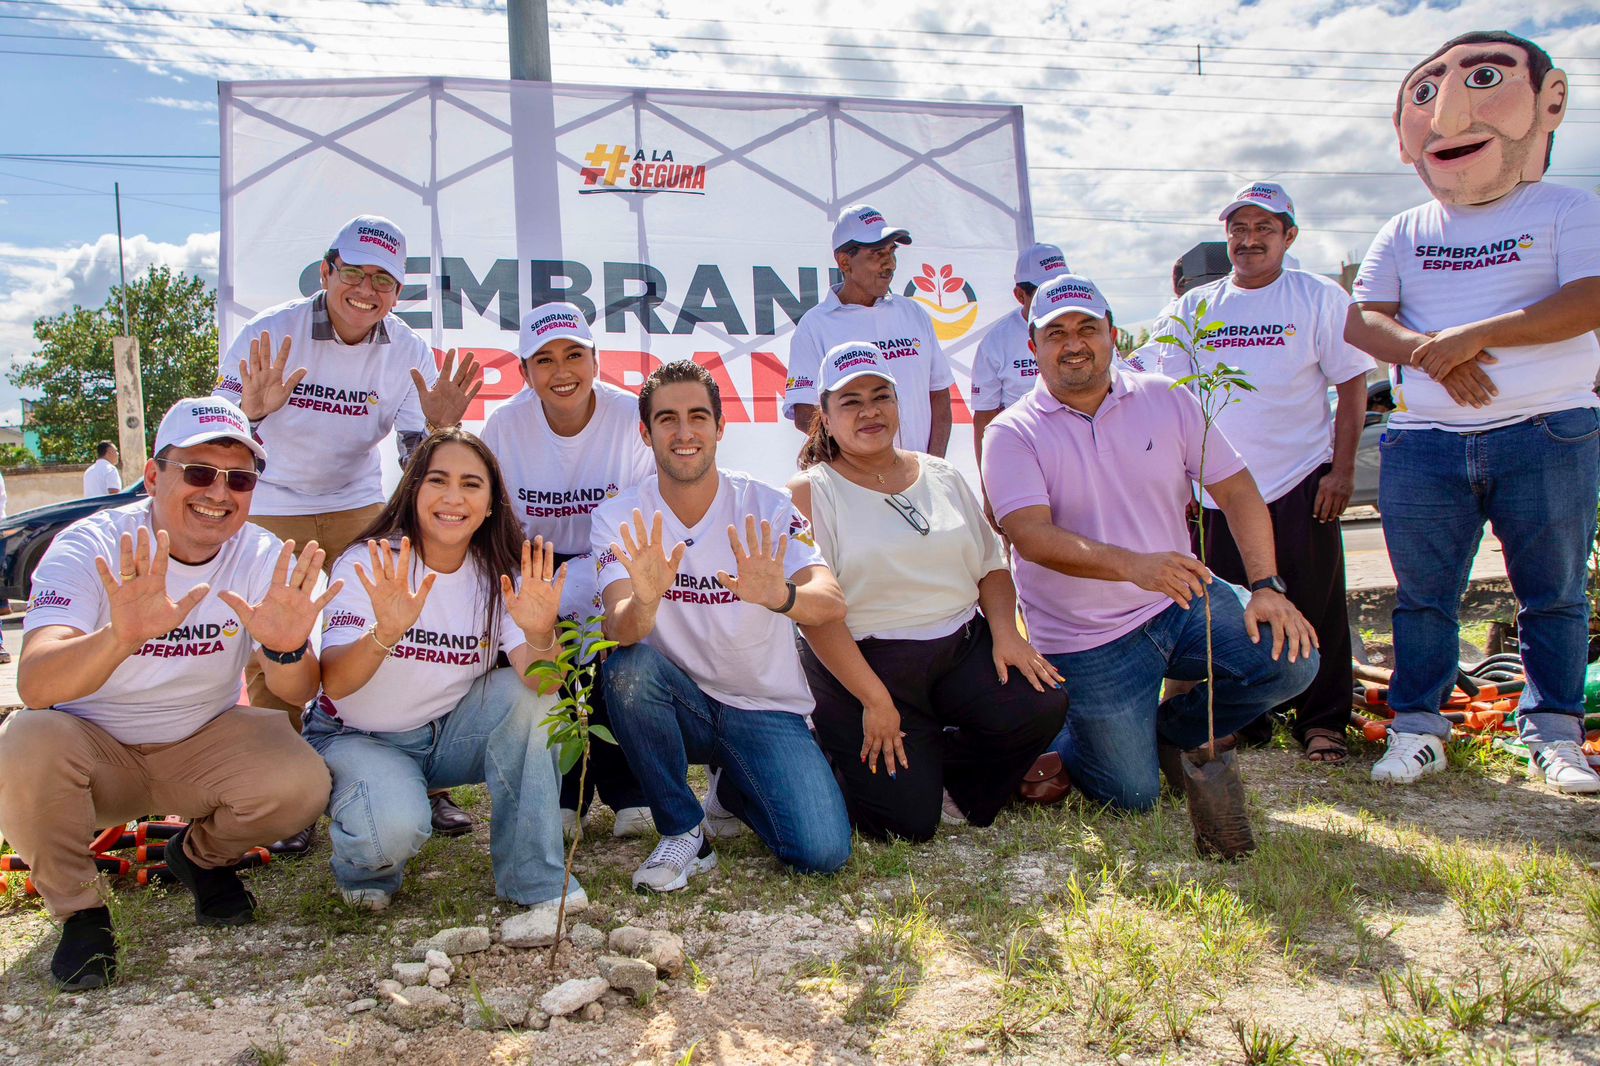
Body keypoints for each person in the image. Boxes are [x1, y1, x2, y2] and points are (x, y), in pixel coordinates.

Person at [0, 397, 336, 989]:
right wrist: (120, 636)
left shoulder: (260, 554)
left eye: (239, 479)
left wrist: (286, 650)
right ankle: (81, 913)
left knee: (301, 781)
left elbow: (299, 689)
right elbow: (36, 683)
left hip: (198, 739)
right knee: (24, 739)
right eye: (200, 472)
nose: (219, 492)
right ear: (154, 476)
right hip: (91, 751)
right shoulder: (90, 546)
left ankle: (198, 859)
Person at [1345, 31, 1600, 792]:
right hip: (1424, 442)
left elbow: (1586, 301)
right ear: (1404, 138)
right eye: (1424, 94)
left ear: (1549, 102)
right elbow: (1363, 321)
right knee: (1423, 598)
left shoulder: (1567, 208)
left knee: (1552, 594)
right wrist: (1431, 354)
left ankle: (1554, 732)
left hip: (1549, 430)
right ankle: (1420, 728)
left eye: (1484, 78)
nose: (1448, 109)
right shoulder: (1403, 229)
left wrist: (1473, 337)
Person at [982, 273, 1320, 819]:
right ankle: (1061, 736)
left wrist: (1265, 586)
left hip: (1179, 603)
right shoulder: (1011, 432)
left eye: (1087, 327)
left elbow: (1236, 491)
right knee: (1132, 797)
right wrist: (1134, 566)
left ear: (1113, 334)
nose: (1074, 343)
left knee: (1291, 660)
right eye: (1056, 332)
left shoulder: (1167, 398)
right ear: (1033, 347)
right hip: (1086, 641)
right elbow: (1031, 537)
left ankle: (1169, 728)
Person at [214, 213, 483, 842]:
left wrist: (441, 431)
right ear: (327, 270)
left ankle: (423, 780)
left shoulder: (408, 350)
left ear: (398, 292)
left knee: (396, 627)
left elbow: (424, 457)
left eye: (384, 281)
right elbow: (218, 438)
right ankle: (290, 797)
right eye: (355, 273)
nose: (367, 289)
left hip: (359, 502)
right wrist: (249, 413)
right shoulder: (270, 332)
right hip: (273, 500)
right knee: (276, 646)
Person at [789, 342, 1066, 841]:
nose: (869, 411)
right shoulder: (811, 490)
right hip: (866, 667)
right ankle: (831, 753)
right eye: (850, 401)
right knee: (905, 826)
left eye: (881, 396)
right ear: (825, 418)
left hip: (960, 648)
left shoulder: (941, 473)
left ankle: (939, 769)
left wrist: (1007, 633)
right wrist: (875, 700)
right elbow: (815, 616)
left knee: (1039, 703)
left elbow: (991, 567)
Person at [593, 361, 852, 892]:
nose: (683, 433)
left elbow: (830, 601)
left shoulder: (767, 505)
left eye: (697, 417)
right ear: (646, 433)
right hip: (680, 702)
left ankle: (733, 790)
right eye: (667, 419)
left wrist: (778, 595)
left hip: (764, 706)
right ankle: (685, 831)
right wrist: (644, 600)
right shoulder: (621, 515)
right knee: (627, 669)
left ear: (719, 427)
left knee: (821, 853)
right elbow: (619, 630)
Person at [1142, 182, 1373, 764]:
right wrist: (1179, 486)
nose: (1249, 241)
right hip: (1217, 492)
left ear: (1289, 237)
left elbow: (1351, 388)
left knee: (1315, 604)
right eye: (1238, 230)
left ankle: (1323, 721)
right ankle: (1247, 717)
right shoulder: (1193, 309)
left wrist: (1340, 473)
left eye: (1264, 229)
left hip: (1297, 480)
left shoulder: (1318, 297)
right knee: (1224, 614)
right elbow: (1162, 395)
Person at [303, 429, 572, 911]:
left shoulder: (498, 575)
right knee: (389, 834)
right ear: (413, 491)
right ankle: (365, 858)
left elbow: (542, 683)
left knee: (535, 701)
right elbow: (337, 683)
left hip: (446, 734)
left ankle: (535, 879)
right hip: (358, 736)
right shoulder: (369, 563)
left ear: (490, 504)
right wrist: (386, 632)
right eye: (438, 480)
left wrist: (540, 632)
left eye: (472, 484)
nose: (454, 497)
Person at [480, 302, 654, 839]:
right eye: (545, 359)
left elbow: (646, 502)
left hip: (611, 552)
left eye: (574, 355)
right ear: (523, 372)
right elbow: (494, 513)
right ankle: (563, 794)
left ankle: (628, 789)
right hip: (535, 559)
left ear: (596, 361)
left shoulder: (630, 417)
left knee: (612, 653)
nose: (562, 372)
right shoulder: (505, 425)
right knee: (547, 663)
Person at [783, 204, 954, 456]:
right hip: (855, 485)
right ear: (844, 261)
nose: (890, 264)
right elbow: (805, 413)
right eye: (877, 254)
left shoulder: (914, 314)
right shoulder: (815, 325)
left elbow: (939, 395)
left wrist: (933, 467)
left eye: (891, 252)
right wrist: (859, 468)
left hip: (919, 479)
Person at [971, 243, 1067, 474]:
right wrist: (989, 486)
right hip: (1026, 461)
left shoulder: (1090, 329)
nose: (1056, 298)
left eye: (1062, 287)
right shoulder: (996, 342)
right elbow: (985, 418)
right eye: (1044, 291)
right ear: (1019, 295)